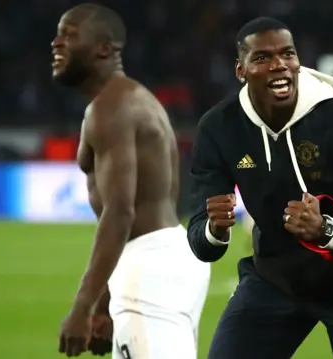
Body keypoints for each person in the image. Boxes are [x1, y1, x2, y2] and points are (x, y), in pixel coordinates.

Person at [187, 17, 333, 359]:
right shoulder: (219, 128)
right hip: (274, 283)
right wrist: (214, 229)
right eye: (262, 58)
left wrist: (326, 229)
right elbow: (202, 243)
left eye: (288, 54)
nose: (279, 66)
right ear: (240, 71)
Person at [52, 4, 210, 358]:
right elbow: (142, 205)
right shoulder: (134, 100)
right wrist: (107, 303)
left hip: (149, 270)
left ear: (104, 48)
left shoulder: (110, 108)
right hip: (168, 255)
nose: (56, 43)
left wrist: (83, 306)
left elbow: (121, 212)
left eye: (69, 34)